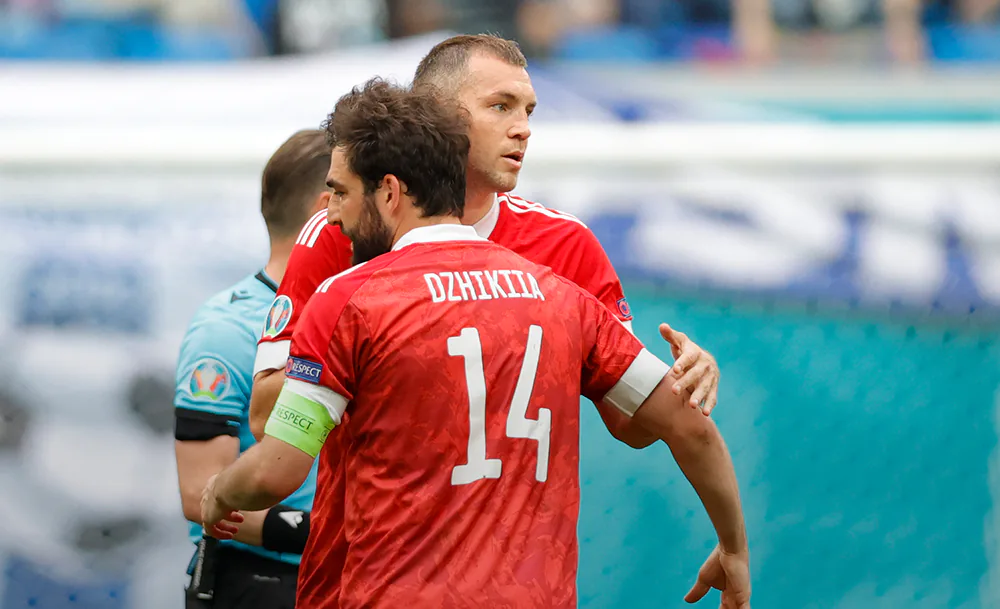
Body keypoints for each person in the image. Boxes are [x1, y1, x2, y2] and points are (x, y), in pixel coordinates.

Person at [201, 79, 750, 609]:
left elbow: (276, 469)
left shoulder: (350, 297)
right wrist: (733, 546)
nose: (332, 211)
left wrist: (220, 492)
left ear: (389, 191)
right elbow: (690, 427)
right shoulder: (559, 294)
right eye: (502, 105)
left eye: (342, 192)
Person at [249, 34, 720, 441]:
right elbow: (265, 415)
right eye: (501, 106)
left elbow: (629, 425)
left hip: (528, 523)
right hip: (378, 520)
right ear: (436, 115)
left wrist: (684, 383)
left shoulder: (566, 244)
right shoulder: (341, 229)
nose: (524, 129)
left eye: (528, 111)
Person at [173, 129, 334, 609]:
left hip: (345, 578)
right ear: (327, 209)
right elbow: (198, 494)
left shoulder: (357, 310)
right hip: (264, 584)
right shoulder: (226, 329)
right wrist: (324, 532)